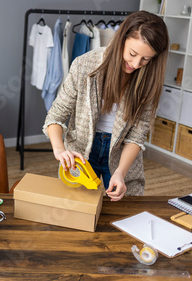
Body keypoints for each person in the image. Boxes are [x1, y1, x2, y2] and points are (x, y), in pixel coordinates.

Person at [43, 11, 169, 201]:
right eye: (132, 54)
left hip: (122, 155)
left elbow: (137, 136)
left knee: (124, 210)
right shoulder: (85, 66)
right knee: (78, 209)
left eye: (146, 59)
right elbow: (56, 115)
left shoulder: (149, 80)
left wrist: (120, 172)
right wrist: (59, 149)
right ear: (121, 39)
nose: (136, 64)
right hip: (82, 152)